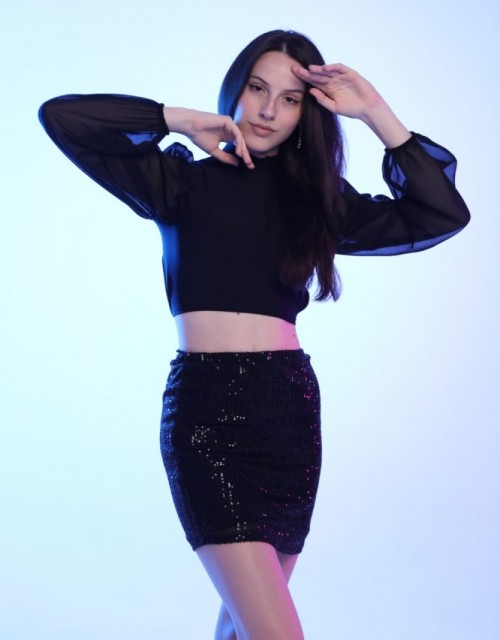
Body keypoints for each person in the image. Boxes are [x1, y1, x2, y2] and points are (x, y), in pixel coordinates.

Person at [39, 29, 469, 640]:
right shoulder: (177, 180)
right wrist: (181, 119)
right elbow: (62, 118)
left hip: (287, 413)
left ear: (308, 113)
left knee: (243, 629)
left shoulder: (319, 201)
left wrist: (375, 111)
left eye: (289, 99)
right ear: (235, 90)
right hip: (206, 418)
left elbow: (440, 213)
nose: (268, 110)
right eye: (257, 89)